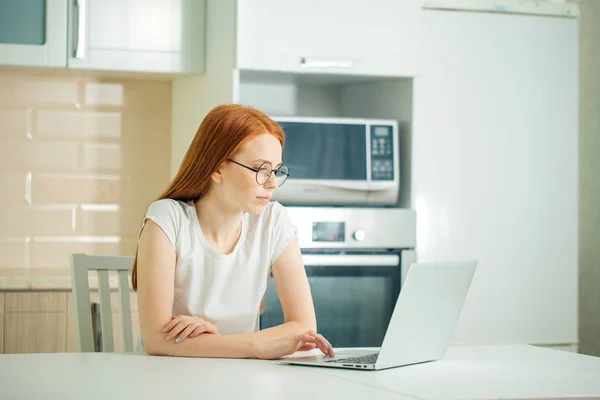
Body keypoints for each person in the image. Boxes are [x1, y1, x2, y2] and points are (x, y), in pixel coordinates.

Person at [133, 104, 334, 360]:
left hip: (242, 376)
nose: (272, 183)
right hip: (170, 376)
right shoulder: (167, 218)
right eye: (260, 170)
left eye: (275, 171)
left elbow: (304, 329)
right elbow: (156, 340)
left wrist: (216, 341)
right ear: (217, 169)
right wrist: (258, 346)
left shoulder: (274, 220)